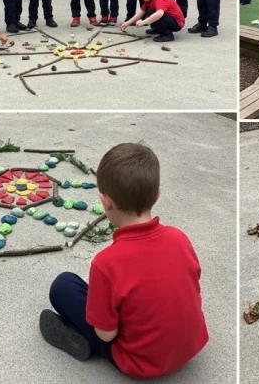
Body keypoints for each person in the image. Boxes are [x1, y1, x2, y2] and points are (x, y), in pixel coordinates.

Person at [40, 143, 207, 379]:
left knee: (63, 286)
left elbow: (106, 334)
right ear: (157, 194)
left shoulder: (107, 263)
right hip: (191, 346)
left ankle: (80, 339)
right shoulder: (180, 238)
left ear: (105, 202)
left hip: (140, 364)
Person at [119, 0, 184, 42]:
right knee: (151, 10)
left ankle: (167, 35)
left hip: (177, 23)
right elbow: (141, 12)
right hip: (170, 19)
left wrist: (143, 22)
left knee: (155, 13)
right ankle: (157, 29)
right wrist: (127, 23)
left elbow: (159, 14)